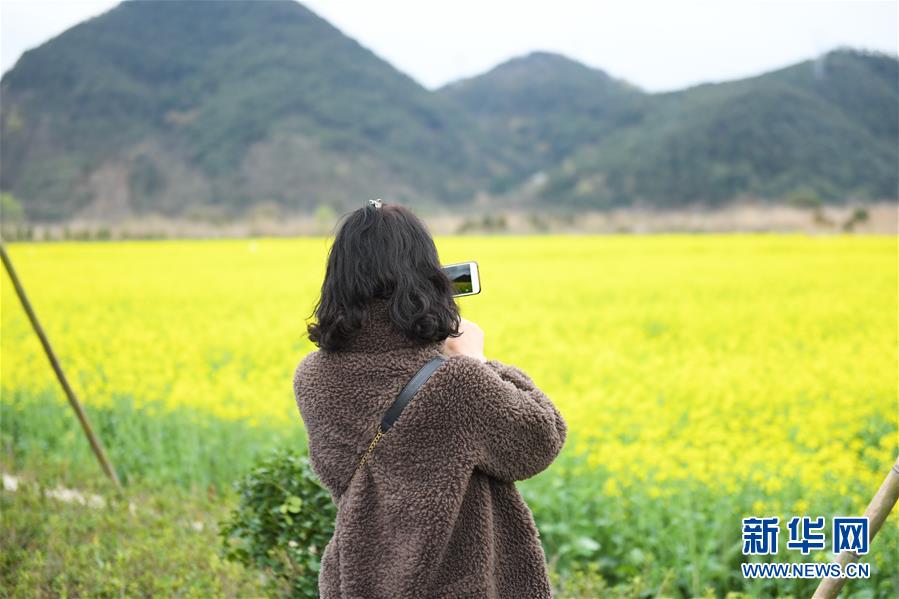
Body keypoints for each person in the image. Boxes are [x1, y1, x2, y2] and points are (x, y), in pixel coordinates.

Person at [293, 200, 568, 598]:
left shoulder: (312, 376)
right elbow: (541, 439)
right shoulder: (458, 382)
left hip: (360, 577)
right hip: (457, 584)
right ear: (426, 276)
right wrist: (478, 360)